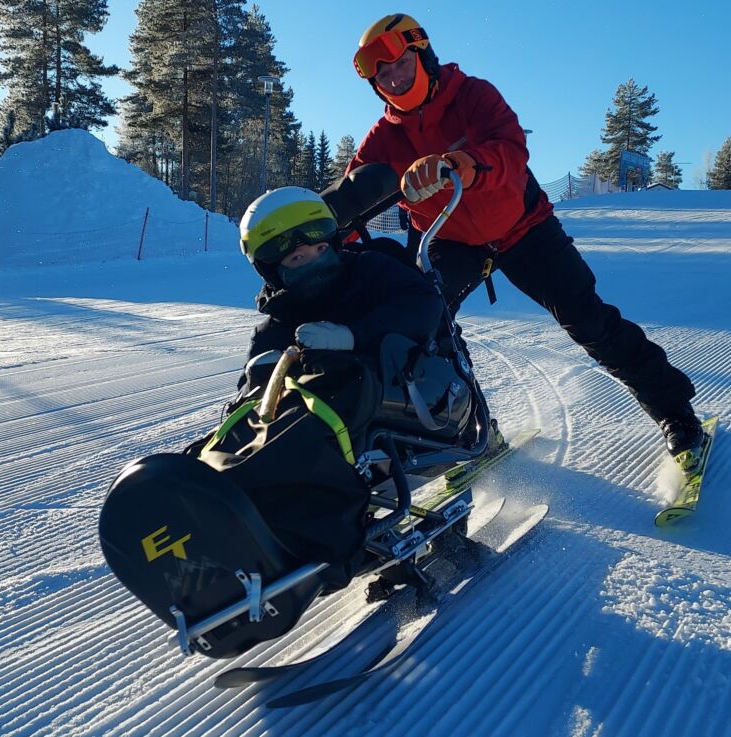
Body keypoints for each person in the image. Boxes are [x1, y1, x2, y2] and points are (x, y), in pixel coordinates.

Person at [346, 13, 705, 461]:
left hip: (522, 227)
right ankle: (472, 434)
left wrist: (458, 164)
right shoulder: (381, 142)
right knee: (423, 331)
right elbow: (352, 201)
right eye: (382, 74)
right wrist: (312, 239)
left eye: (399, 64)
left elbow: (512, 149)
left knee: (589, 321)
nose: (394, 79)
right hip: (450, 239)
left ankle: (678, 416)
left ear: (422, 55)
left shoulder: (472, 95)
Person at [239, 185, 443, 370]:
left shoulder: (370, 270)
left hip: (409, 397)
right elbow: (247, 403)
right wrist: (258, 382)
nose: (315, 262)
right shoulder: (272, 333)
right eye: (298, 257)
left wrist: (354, 336)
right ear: (272, 271)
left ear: (334, 243)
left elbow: (423, 304)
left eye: (321, 248)